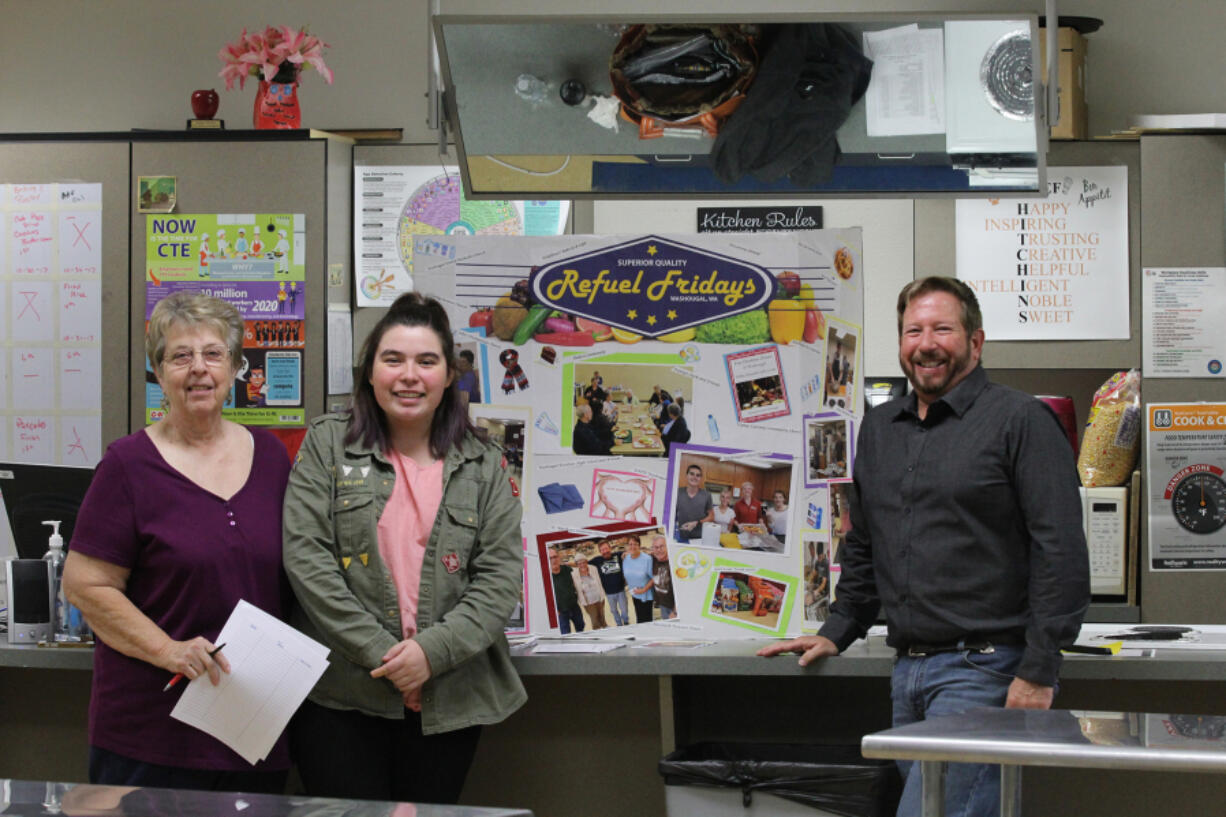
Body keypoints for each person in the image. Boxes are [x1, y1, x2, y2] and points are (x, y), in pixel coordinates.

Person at [758, 276, 1089, 817]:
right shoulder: (881, 428)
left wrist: (1038, 669)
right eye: (913, 330)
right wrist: (838, 629)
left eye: (942, 328)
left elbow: (1063, 554)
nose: (926, 343)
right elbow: (864, 543)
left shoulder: (1020, 421)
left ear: (975, 343)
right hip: (907, 675)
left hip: (985, 672)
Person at [281, 292, 526, 804]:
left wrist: (429, 656)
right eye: (392, 359)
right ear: (370, 372)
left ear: (448, 376)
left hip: (450, 696)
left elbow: (499, 580)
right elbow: (307, 560)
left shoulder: (484, 463)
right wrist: (390, 660)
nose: (409, 375)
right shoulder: (328, 444)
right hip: (342, 696)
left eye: (426, 361)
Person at [61, 292, 291, 793]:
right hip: (150, 735)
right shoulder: (127, 466)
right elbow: (84, 585)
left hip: (251, 727)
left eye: (213, 354)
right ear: (158, 373)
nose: (199, 370)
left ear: (234, 368)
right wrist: (169, 651)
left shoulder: (273, 459)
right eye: (180, 356)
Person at [589, 540, 630, 626]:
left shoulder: (618, 555)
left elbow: (629, 551)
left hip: (621, 590)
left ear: (610, 548)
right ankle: (619, 624)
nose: (605, 551)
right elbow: (582, 563)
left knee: (624, 610)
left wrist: (626, 554)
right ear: (600, 551)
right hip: (609, 593)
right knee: (614, 611)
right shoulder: (597, 560)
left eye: (606, 548)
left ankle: (626, 622)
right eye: (602, 550)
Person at [549, 549, 585, 634]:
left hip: (574, 606)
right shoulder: (546, 576)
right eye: (550, 558)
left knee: (581, 626)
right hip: (560, 611)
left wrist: (567, 563)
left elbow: (580, 566)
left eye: (555, 557)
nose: (553, 560)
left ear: (559, 557)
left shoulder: (566, 569)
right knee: (565, 633)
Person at [674, 464, 714, 540]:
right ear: (687, 475)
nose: (694, 477)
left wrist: (696, 523)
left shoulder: (707, 495)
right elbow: (672, 513)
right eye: (692, 474)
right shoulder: (677, 492)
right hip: (682, 535)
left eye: (698, 475)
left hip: (700, 537)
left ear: (700, 478)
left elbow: (711, 516)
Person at [622, 537, 655, 624]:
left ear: (639, 546)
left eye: (635, 544)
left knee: (647, 620)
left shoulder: (647, 559)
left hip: (645, 595)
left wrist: (643, 590)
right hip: (634, 594)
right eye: (630, 544)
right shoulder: (626, 559)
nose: (632, 546)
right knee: (639, 618)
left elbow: (654, 577)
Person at [571, 552, 607, 630]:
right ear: (576, 565)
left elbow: (599, 581)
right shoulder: (574, 574)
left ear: (586, 562)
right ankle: (597, 634)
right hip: (588, 603)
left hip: (599, 598)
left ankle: (605, 629)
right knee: (595, 620)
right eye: (579, 563)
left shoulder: (593, 568)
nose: (582, 565)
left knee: (602, 617)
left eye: (584, 562)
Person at [649, 536, 677, 620]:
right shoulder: (653, 559)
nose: (659, 550)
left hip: (674, 608)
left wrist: (675, 611)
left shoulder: (674, 563)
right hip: (662, 605)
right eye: (656, 547)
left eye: (662, 546)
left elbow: (683, 591)